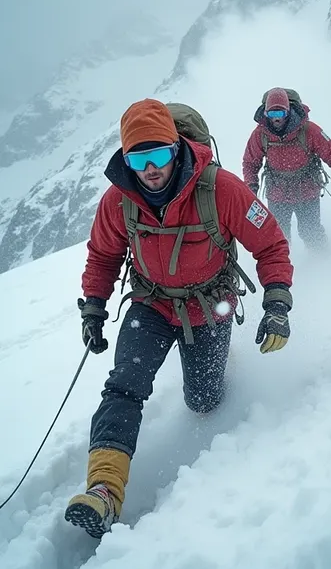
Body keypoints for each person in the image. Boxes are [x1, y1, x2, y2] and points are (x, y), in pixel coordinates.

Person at [65, 98, 293, 538]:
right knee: (123, 386)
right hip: (149, 305)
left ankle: (217, 376)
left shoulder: (221, 189)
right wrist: (94, 306)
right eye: (138, 158)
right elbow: (103, 255)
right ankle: (104, 490)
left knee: (203, 400)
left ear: (177, 149)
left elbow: (270, 243)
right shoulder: (119, 201)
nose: (150, 169)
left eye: (159, 155)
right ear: (126, 160)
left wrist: (277, 302)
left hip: (211, 306)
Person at [242, 87, 331, 249]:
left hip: (307, 192)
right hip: (278, 195)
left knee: (311, 232)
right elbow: (250, 163)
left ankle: (324, 263)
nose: (276, 119)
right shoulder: (260, 135)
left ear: (288, 111)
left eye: (281, 114)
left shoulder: (309, 130)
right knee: (278, 237)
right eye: (272, 114)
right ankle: (282, 270)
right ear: (265, 114)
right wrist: (251, 187)